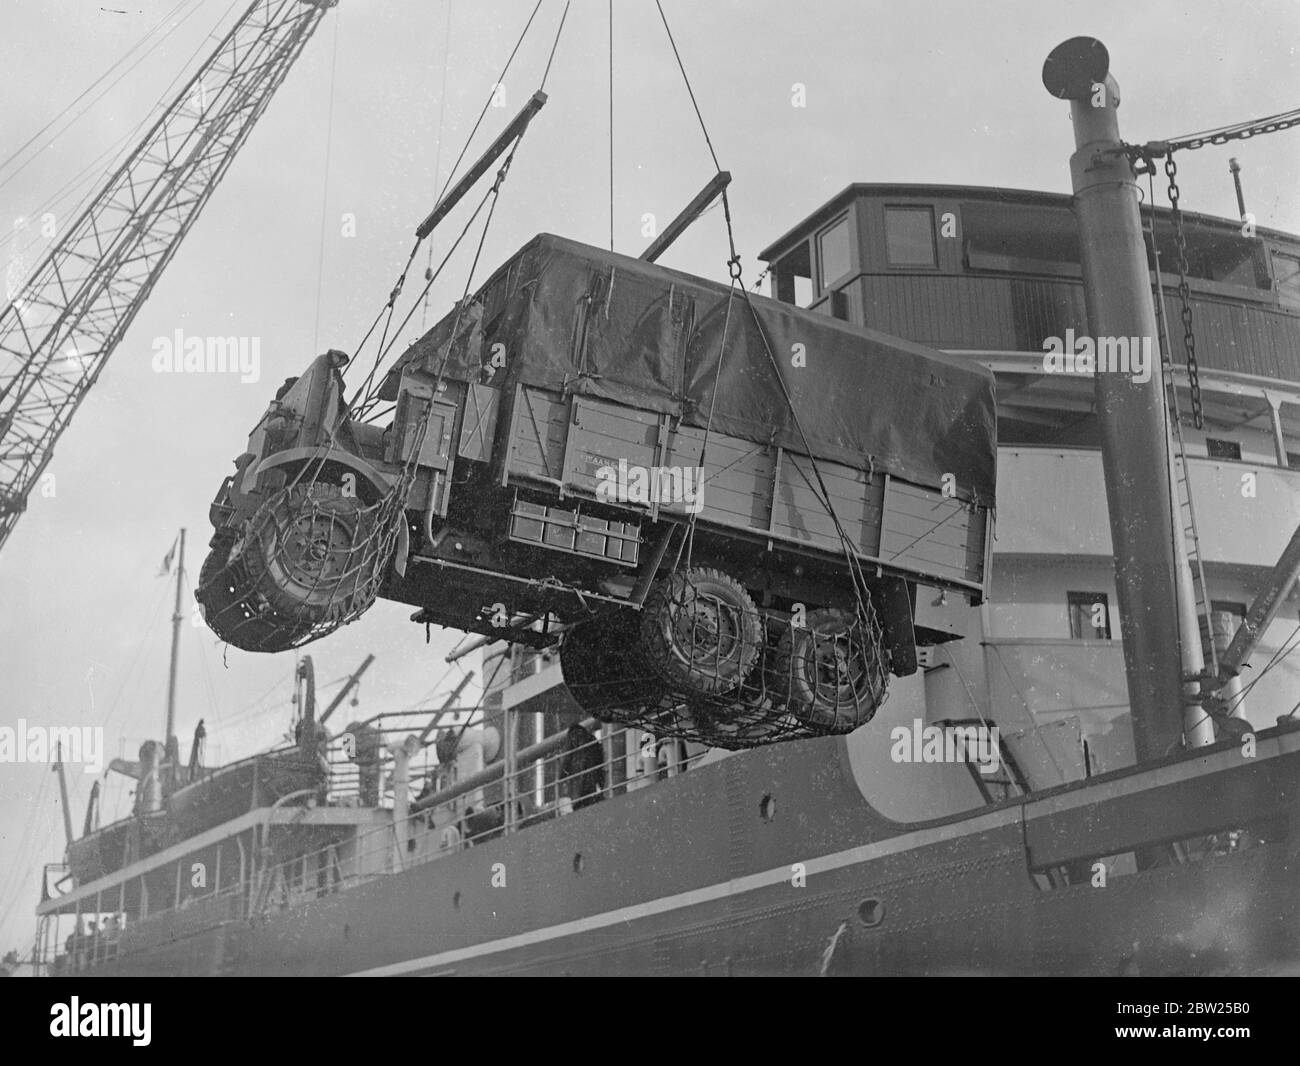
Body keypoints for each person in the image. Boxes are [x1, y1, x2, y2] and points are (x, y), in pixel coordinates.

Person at [560, 723, 605, 810]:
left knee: (581, 806)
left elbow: (563, 771)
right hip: (591, 783)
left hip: (580, 788)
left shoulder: (572, 747)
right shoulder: (591, 741)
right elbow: (599, 760)